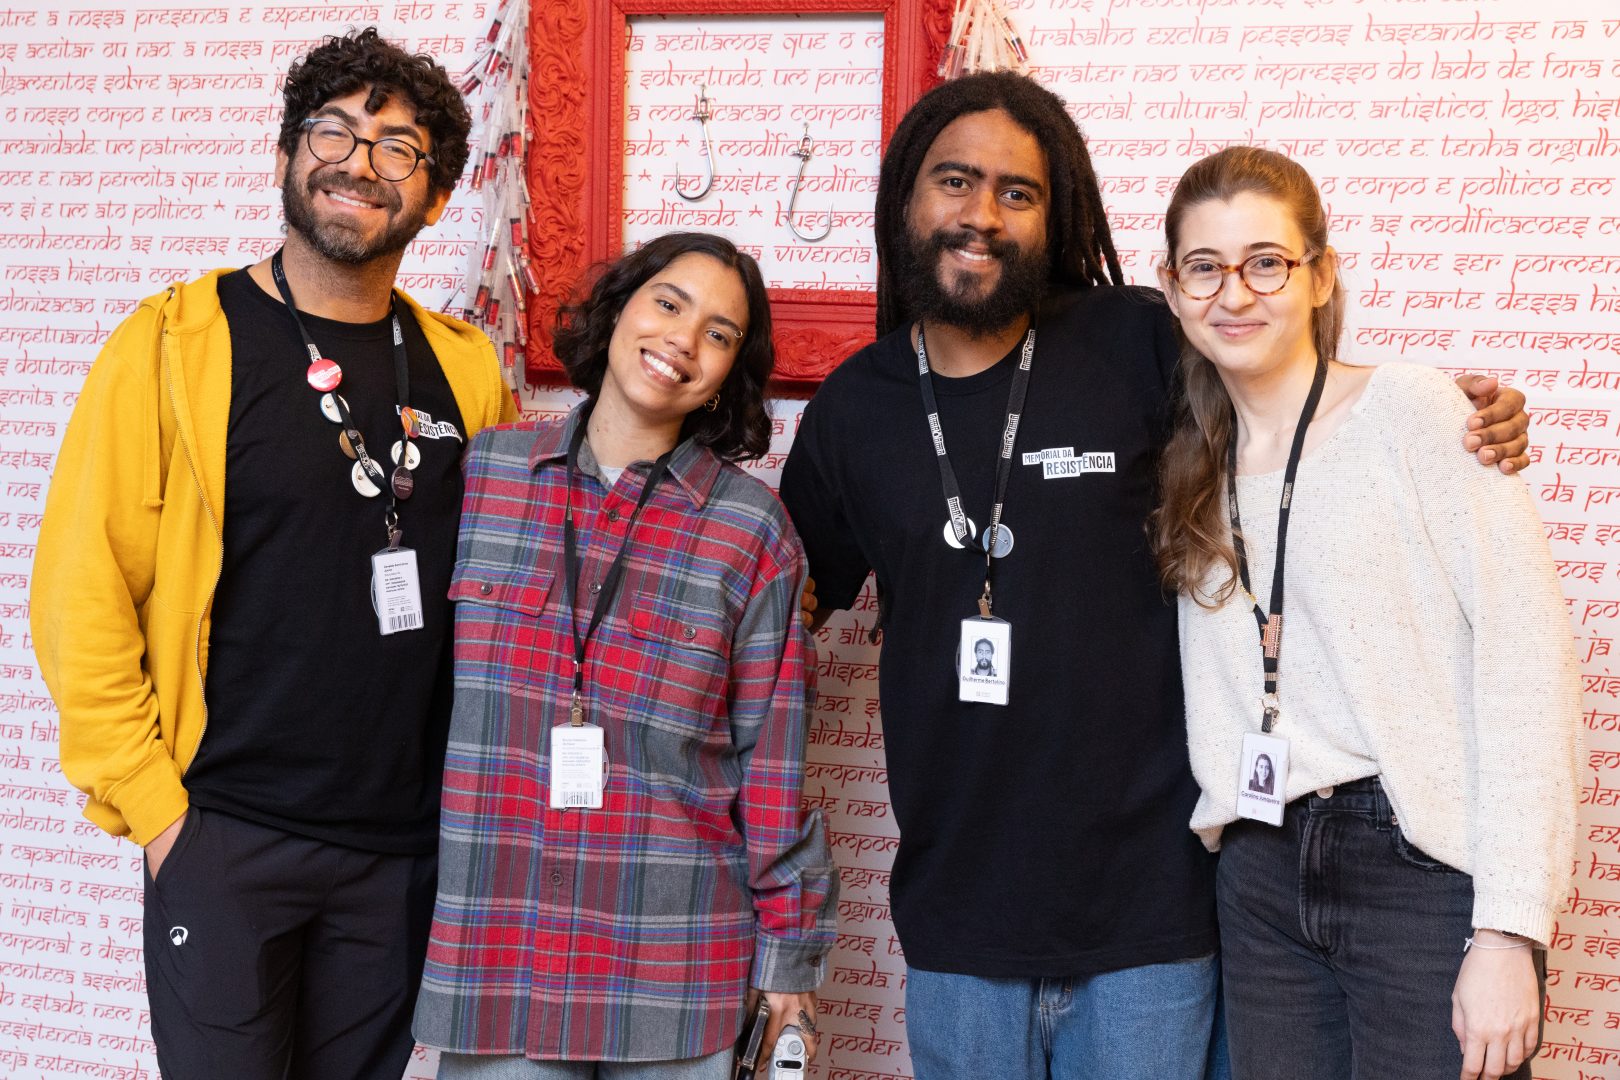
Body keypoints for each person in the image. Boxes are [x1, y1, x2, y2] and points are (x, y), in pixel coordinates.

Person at [779, 71, 1531, 1080]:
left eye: (1017, 191)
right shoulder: (850, 414)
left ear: (1056, 214)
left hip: (1156, 918)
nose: (982, 214)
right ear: (905, 196)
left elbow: (1286, 393)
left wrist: (1454, 415)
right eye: (955, 180)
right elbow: (779, 606)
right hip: (958, 922)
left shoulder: (1136, 340)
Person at [30, 29, 517, 1079]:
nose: (359, 162)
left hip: (400, 850)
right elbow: (82, 592)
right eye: (333, 131)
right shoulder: (173, 342)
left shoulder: (466, 369)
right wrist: (161, 817)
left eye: (398, 148)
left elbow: (501, 591)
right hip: (225, 833)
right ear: (289, 153)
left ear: (437, 198)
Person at [1154, 146, 1579, 1080]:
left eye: (1268, 262)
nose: (1236, 293)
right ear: (1173, 289)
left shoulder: (1417, 411)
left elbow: (1528, 663)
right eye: (1206, 266)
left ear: (1321, 275)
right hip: (1259, 870)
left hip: (1418, 867)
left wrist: (1510, 928)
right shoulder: (1190, 458)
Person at [414, 232, 837, 1079]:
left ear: (730, 372)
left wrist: (789, 959)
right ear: (617, 311)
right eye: (669, 304)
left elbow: (772, 765)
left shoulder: (752, 530)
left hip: (676, 972)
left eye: (719, 334)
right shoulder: (484, 476)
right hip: (501, 965)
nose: (683, 340)